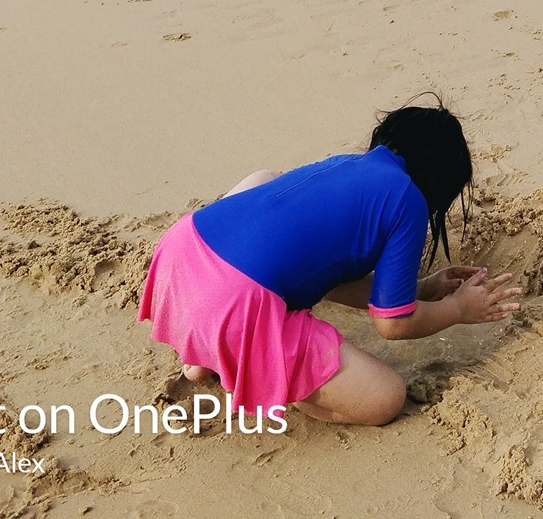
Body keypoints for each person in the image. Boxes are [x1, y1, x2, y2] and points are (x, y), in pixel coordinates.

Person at [139, 102, 520, 427]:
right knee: (386, 397)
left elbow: (331, 279)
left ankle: (202, 357)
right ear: (439, 183)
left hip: (180, 257)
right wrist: (456, 309)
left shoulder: (345, 165)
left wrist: (420, 290)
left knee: (264, 179)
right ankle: (249, 369)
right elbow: (393, 323)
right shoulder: (408, 199)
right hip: (233, 307)